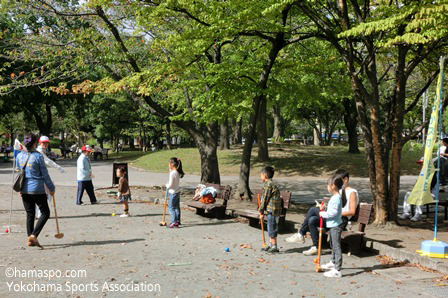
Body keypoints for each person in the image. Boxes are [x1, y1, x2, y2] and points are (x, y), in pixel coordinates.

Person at [286, 169, 359, 256]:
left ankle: (301, 234)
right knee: (312, 220)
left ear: (346, 179)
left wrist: (332, 213)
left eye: (338, 179)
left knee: (312, 210)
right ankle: (316, 247)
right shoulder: (338, 192)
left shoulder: (352, 192)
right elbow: (335, 208)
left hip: (341, 220)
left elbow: (352, 211)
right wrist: (325, 208)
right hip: (332, 217)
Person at [16, 134, 55, 249]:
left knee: (30, 214)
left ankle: (30, 238)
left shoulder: (19, 156)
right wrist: (52, 188)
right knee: (45, 213)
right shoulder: (38, 157)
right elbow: (45, 175)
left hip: (24, 188)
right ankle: (33, 235)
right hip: (37, 188)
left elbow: (19, 172)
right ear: (34, 143)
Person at [319, 174, 345, 278]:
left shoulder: (336, 198)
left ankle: (337, 269)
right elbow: (332, 210)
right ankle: (333, 262)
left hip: (336, 226)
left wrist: (323, 214)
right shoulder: (335, 197)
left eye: (328, 185)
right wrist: (324, 208)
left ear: (333, 185)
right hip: (332, 225)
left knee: (336, 246)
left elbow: (333, 213)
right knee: (332, 244)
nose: (327, 187)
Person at [35, 136, 65, 219]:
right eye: (43, 143)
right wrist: (59, 167)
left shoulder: (41, 151)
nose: (45, 144)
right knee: (46, 194)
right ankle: (40, 213)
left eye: (46, 143)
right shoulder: (39, 151)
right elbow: (48, 161)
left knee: (41, 195)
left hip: (39, 176)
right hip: (40, 176)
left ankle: (39, 213)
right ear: (39, 143)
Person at [259, 166, 282, 254]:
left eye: (261, 175)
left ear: (264, 175)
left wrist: (261, 210)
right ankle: (271, 244)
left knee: (272, 227)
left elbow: (265, 199)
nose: (260, 177)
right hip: (270, 210)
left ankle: (274, 246)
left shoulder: (269, 184)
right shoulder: (269, 184)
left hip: (272, 210)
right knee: (270, 226)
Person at [166, 157, 184, 228]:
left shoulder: (172, 173)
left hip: (173, 192)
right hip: (177, 191)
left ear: (172, 164)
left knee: (171, 207)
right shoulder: (176, 172)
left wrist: (166, 186)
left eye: (169, 163)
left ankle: (174, 222)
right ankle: (177, 221)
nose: (168, 165)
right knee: (176, 207)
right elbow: (170, 170)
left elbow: (170, 184)